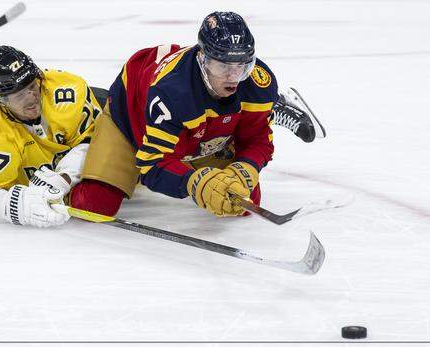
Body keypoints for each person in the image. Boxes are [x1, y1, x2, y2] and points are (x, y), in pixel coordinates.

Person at [70, 11, 318, 218]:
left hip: (197, 131)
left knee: (241, 201)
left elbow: (258, 141)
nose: (233, 78)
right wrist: (193, 181)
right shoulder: (171, 91)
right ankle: (99, 107)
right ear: (203, 59)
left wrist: (244, 168)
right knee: (94, 206)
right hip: (131, 113)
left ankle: (275, 104)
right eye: (222, 66)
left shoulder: (257, 83)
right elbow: (153, 165)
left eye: (241, 66)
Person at [0, 45, 101, 227]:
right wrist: (19, 205)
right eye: (20, 95)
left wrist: (65, 176)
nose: (32, 97)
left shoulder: (69, 90)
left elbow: (99, 142)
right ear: (0, 99)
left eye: (33, 86)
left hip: (99, 103)